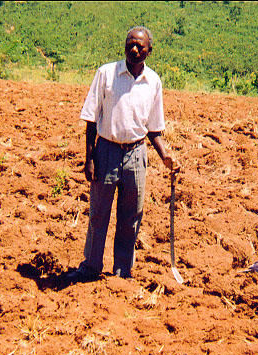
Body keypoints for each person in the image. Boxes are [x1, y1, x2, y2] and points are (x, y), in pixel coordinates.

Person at [65, 26, 179, 283]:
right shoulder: (106, 73)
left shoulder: (154, 82)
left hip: (136, 155)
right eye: (131, 43)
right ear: (124, 45)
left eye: (141, 45)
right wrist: (89, 157)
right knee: (98, 213)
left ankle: (122, 272)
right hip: (106, 151)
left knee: (131, 217)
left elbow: (153, 129)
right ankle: (91, 266)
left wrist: (165, 157)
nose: (135, 48)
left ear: (150, 50)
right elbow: (91, 120)